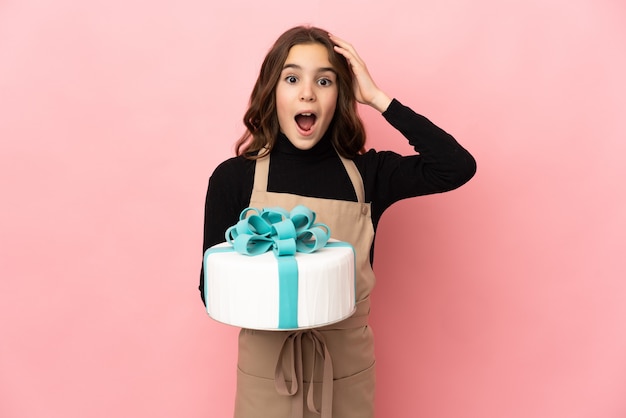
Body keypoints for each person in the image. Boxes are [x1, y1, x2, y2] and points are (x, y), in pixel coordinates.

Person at [200, 25, 476, 418]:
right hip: (267, 374)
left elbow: (456, 167)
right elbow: (211, 291)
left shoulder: (369, 174)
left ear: (340, 95)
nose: (307, 92)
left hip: (346, 374)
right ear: (271, 91)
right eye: (292, 78)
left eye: (325, 80)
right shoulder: (233, 179)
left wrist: (378, 98)